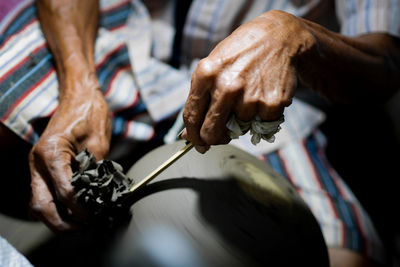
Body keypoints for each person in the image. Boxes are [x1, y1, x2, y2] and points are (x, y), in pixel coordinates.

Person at [0, 0, 399, 266]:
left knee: (341, 259)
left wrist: (298, 37)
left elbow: (385, 64)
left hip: (264, 98)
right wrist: (79, 88)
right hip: (134, 32)